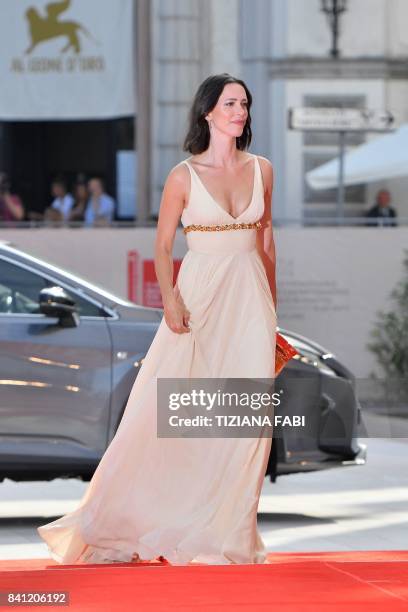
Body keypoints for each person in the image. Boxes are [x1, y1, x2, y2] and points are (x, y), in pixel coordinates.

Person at [38, 73, 277, 566]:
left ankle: (228, 530)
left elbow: (267, 239)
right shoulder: (182, 176)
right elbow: (164, 245)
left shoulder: (263, 170)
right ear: (208, 111)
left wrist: (274, 313)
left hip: (250, 299)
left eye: (245, 105)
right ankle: (140, 514)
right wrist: (170, 298)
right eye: (231, 103)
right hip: (198, 297)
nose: (240, 112)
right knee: (167, 413)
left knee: (247, 420)